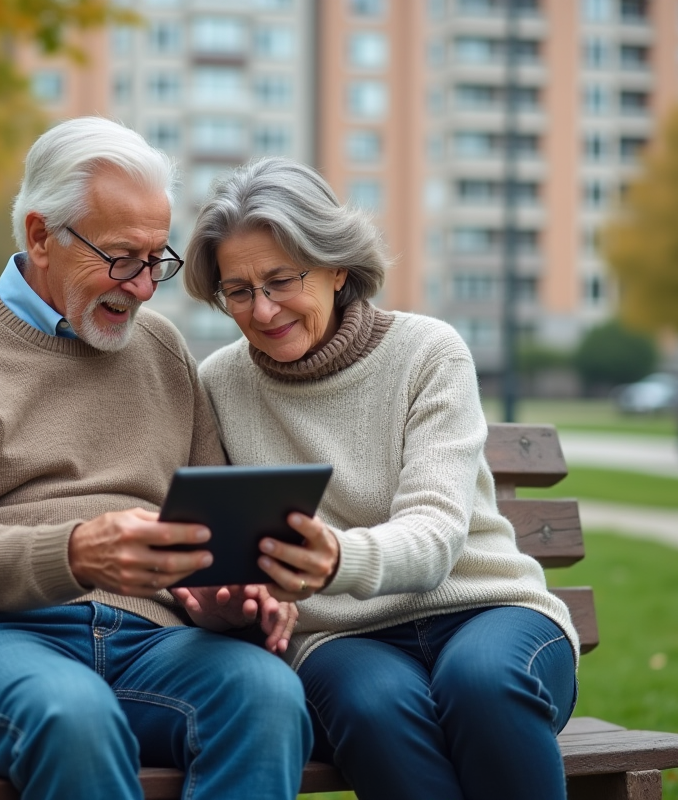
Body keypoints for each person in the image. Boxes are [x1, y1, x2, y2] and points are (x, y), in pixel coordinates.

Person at [0, 119, 311, 800]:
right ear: (41, 236)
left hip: (148, 645)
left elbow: (214, 538)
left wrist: (234, 598)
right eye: (123, 257)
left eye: (157, 260)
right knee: (73, 713)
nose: (143, 287)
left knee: (267, 693)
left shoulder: (163, 352)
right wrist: (74, 554)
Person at [182, 157, 580, 800]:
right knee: (374, 708)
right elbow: (220, 545)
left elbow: (437, 530)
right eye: (238, 290)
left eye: (282, 280)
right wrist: (228, 593)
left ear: (337, 266)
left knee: (481, 686)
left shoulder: (429, 352)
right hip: (338, 638)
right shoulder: (219, 383)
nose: (261, 309)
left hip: (486, 610)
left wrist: (337, 555)